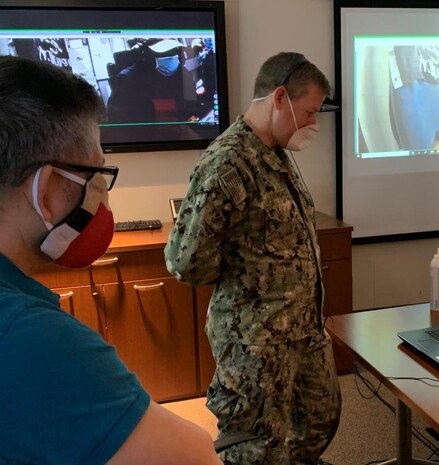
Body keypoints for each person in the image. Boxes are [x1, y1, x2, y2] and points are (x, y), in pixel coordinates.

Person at [0, 56, 221, 465]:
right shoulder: (33, 339)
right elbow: (194, 457)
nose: (101, 190)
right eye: (95, 173)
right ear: (45, 189)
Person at [165, 51, 342, 464]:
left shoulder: (278, 152)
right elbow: (186, 261)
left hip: (304, 328)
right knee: (255, 445)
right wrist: (244, 281)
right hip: (255, 341)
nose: (314, 123)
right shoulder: (227, 162)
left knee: (320, 419)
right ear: (279, 98)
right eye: (309, 112)